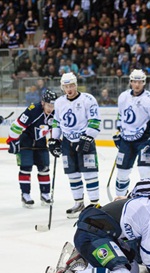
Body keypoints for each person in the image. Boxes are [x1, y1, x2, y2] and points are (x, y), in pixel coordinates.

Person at [48, 72, 101, 218]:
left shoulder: (88, 99)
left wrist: (88, 136)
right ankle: (79, 202)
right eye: (66, 86)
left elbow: (95, 121)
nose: (69, 89)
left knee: (90, 174)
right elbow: (57, 122)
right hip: (67, 143)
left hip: (85, 141)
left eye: (71, 85)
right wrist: (54, 139)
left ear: (76, 85)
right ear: (62, 87)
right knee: (72, 174)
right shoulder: (59, 102)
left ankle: (94, 204)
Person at [113, 69, 150, 197]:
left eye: (139, 82)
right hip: (126, 139)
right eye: (134, 81)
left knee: (145, 171)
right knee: (122, 173)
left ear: (144, 83)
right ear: (130, 82)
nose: (137, 85)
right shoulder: (123, 97)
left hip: (144, 139)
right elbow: (121, 115)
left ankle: (148, 199)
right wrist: (118, 132)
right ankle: (119, 200)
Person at [6, 89, 58, 207]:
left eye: (53, 105)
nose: (51, 108)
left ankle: (45, 194)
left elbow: (57, 128)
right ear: (43, 102)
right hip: (26, 142)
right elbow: (17, 125)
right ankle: (25, 194)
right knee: (26, 168)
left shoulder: (56, 113)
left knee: (44, 168)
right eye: (49, 105)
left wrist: (56, 142)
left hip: (40, 143)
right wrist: (12, 141)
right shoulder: (34, 110)